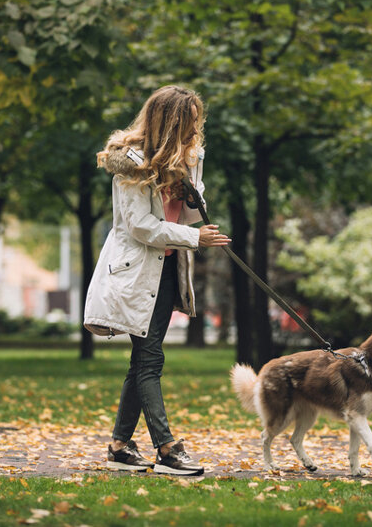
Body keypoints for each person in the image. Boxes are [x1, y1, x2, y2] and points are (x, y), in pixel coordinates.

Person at [84, 85, 230, 476]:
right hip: (135, 272)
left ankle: (119, 445)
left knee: (142, 360)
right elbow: (140, 226)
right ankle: (167, 449)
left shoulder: (186, 159)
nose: (195, 130)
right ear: (173, 123)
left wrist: (192, 185)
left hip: (167, 270)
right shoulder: (131, 165)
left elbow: (190, 215)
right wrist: (195, 239)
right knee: (151, 359)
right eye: (191, 123)